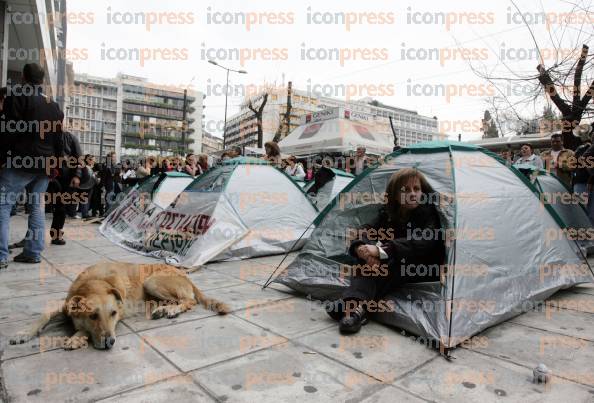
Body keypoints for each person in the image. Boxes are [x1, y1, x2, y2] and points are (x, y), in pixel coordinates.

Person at [327, 168, 445, 334]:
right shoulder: (389, 214)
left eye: (416, 189)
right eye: (405, 190)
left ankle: (352, 304)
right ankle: (356, 309)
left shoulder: (428, 213)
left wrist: (381, 251)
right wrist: (361, 248)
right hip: (395, 260)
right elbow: (365, 229)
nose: (412, 194)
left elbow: (421, 242)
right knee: (367, 262)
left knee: (388, 263)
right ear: (395, 195)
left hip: (422, 266)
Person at [0, 63, 65, 268]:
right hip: (45, 165)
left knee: (3, 205)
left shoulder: (16, 96)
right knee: (36, 206)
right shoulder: (53, 105)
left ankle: (1, 256)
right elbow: (58, 138)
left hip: (20, 161)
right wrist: (56, 161)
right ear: (42, 80)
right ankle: (33, 252)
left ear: (23, 77)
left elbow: (9, 131)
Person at [49, 130, 83, 245]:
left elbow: (79, 158)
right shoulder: (47, 135)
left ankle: (56, 233)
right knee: (38, 206)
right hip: (47, 175)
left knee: (61, 207)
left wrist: (77, 176)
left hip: (64, 178)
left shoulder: (70, 137)